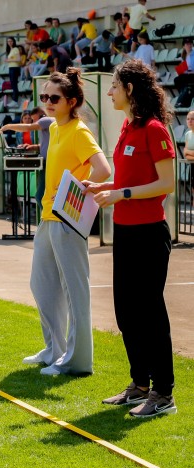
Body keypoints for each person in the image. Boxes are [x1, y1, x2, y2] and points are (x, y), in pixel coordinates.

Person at [85, 60, 177, 417]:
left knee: (150, 312)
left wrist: (120, 194)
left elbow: (165, 184)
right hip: (124, 231)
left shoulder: (155, 129)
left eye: (113, 86)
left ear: (130, 90)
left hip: (150, 233)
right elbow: (129, 178)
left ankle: (164, 393)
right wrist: (104, 186)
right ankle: (139, 385)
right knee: (127, 312)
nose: (109, 91)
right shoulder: (127, 127)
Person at [25, 67, 111, 376]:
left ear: (71, 101)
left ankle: (75, 361)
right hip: (49, 216)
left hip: (67, 218)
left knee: (74, 290)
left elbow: (103, 170)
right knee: (42, 285)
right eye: (44, 96)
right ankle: (54, 350)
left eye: (54, 97)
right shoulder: (56, 128)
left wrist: (74, 192)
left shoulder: (78, 130)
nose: (47, 101)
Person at [0, 107, 54, 215]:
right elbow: (44, 145)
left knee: (40, 196)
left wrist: (8, 126)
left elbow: (28, 127)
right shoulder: (46, 125)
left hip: (49, 163)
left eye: (34, 119)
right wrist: (33, 147)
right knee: (42, 196)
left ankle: (51, 219)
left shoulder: (45, 120)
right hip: (45, 162)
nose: (34, 122)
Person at [173, 37, 194, 109]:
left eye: (190, 44)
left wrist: (188, 71)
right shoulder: (184, 56)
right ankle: (184, 97)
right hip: (188, 75)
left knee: (183, 79)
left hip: (192, 75)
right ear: (183, 46)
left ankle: (182, 100)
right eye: (187, 44)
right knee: (177, 80)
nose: (189, 45)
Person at [6, 37, 24, 104]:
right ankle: (14, 99)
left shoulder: (15, 49)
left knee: (14, 84)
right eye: (8, 41)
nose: (9, 43)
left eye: (11, 41)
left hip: (15, 68)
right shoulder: (10, 50)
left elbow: (18, 59)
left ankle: (15, 100)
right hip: (11, 67)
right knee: (12, 84)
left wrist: (9, 60)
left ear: (13, 42)